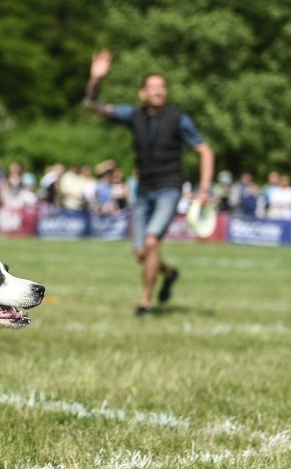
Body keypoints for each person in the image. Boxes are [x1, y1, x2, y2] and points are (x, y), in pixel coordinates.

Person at [84, 49, 214, 317]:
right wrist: (95, 79)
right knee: (141, 253)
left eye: (162, 86)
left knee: (152, 241)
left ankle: (145, 302)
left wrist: (203, 190)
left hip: (169, 188)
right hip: (142, 191)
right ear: (143, 93)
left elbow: (205, 150)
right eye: (153, 87)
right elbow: (91, 106)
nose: (159, 90)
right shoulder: (134, 115)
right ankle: (169, 274)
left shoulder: (179, 118)